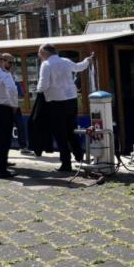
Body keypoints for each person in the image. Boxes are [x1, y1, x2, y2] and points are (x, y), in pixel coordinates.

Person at [36, 44, 94, 172]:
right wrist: (87, 60)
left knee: (60, 133)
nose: (39, 55)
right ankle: (79, 156)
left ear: (45, 52)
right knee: (71, 129)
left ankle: (66, 163)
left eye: (40, 52)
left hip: (56, 102)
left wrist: (38, 90)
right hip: (71, 100)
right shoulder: (66, 61)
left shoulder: (46, 64)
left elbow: (43, 84)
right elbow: (79, 67)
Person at [2, 53, 33, 155]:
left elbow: (16, 90)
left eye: (14, 62)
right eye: (10, 62)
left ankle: (23, 146)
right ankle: (3, 151)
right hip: (5, 106)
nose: (13, 65)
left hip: (15, 105)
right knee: (5, 129)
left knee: (21, 126)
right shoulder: (0, 73)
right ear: (3, 61)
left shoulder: (11, 74)